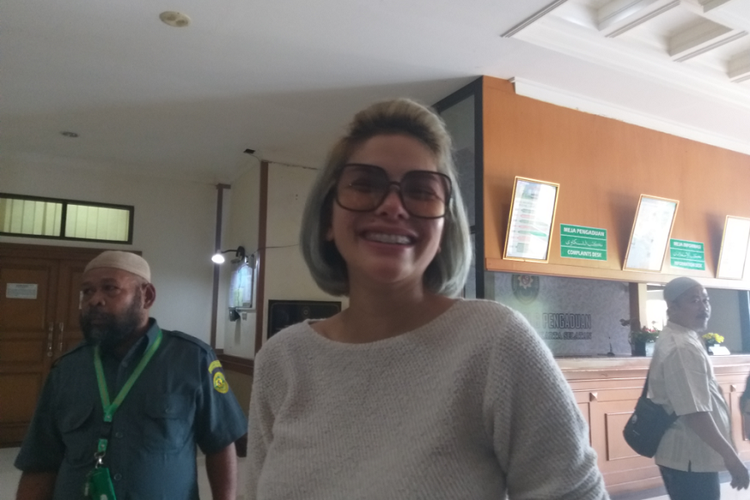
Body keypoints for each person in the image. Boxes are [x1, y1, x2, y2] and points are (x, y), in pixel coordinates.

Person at [246, 98, 607, 499]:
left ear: (443, 229)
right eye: (365, 184)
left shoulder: (495, 342)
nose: (393, 206)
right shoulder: (281, 360)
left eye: (421, 191)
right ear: (327, 217)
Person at [15, 251, 248, 500]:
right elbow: (40, 462)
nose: (94, 300)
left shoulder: (192, 359)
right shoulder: (67, 369)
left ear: (147, 296)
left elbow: (220, 444)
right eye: (87, 291)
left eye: (110, 288)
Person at [648, 276, 749, 499]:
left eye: (706, 300)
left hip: (693, 457)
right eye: (695, 301)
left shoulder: (685, 337)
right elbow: (695, 412)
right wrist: (731, 457)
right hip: (689, 457)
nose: (704, 307)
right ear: (672, 307)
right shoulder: (681, 347)